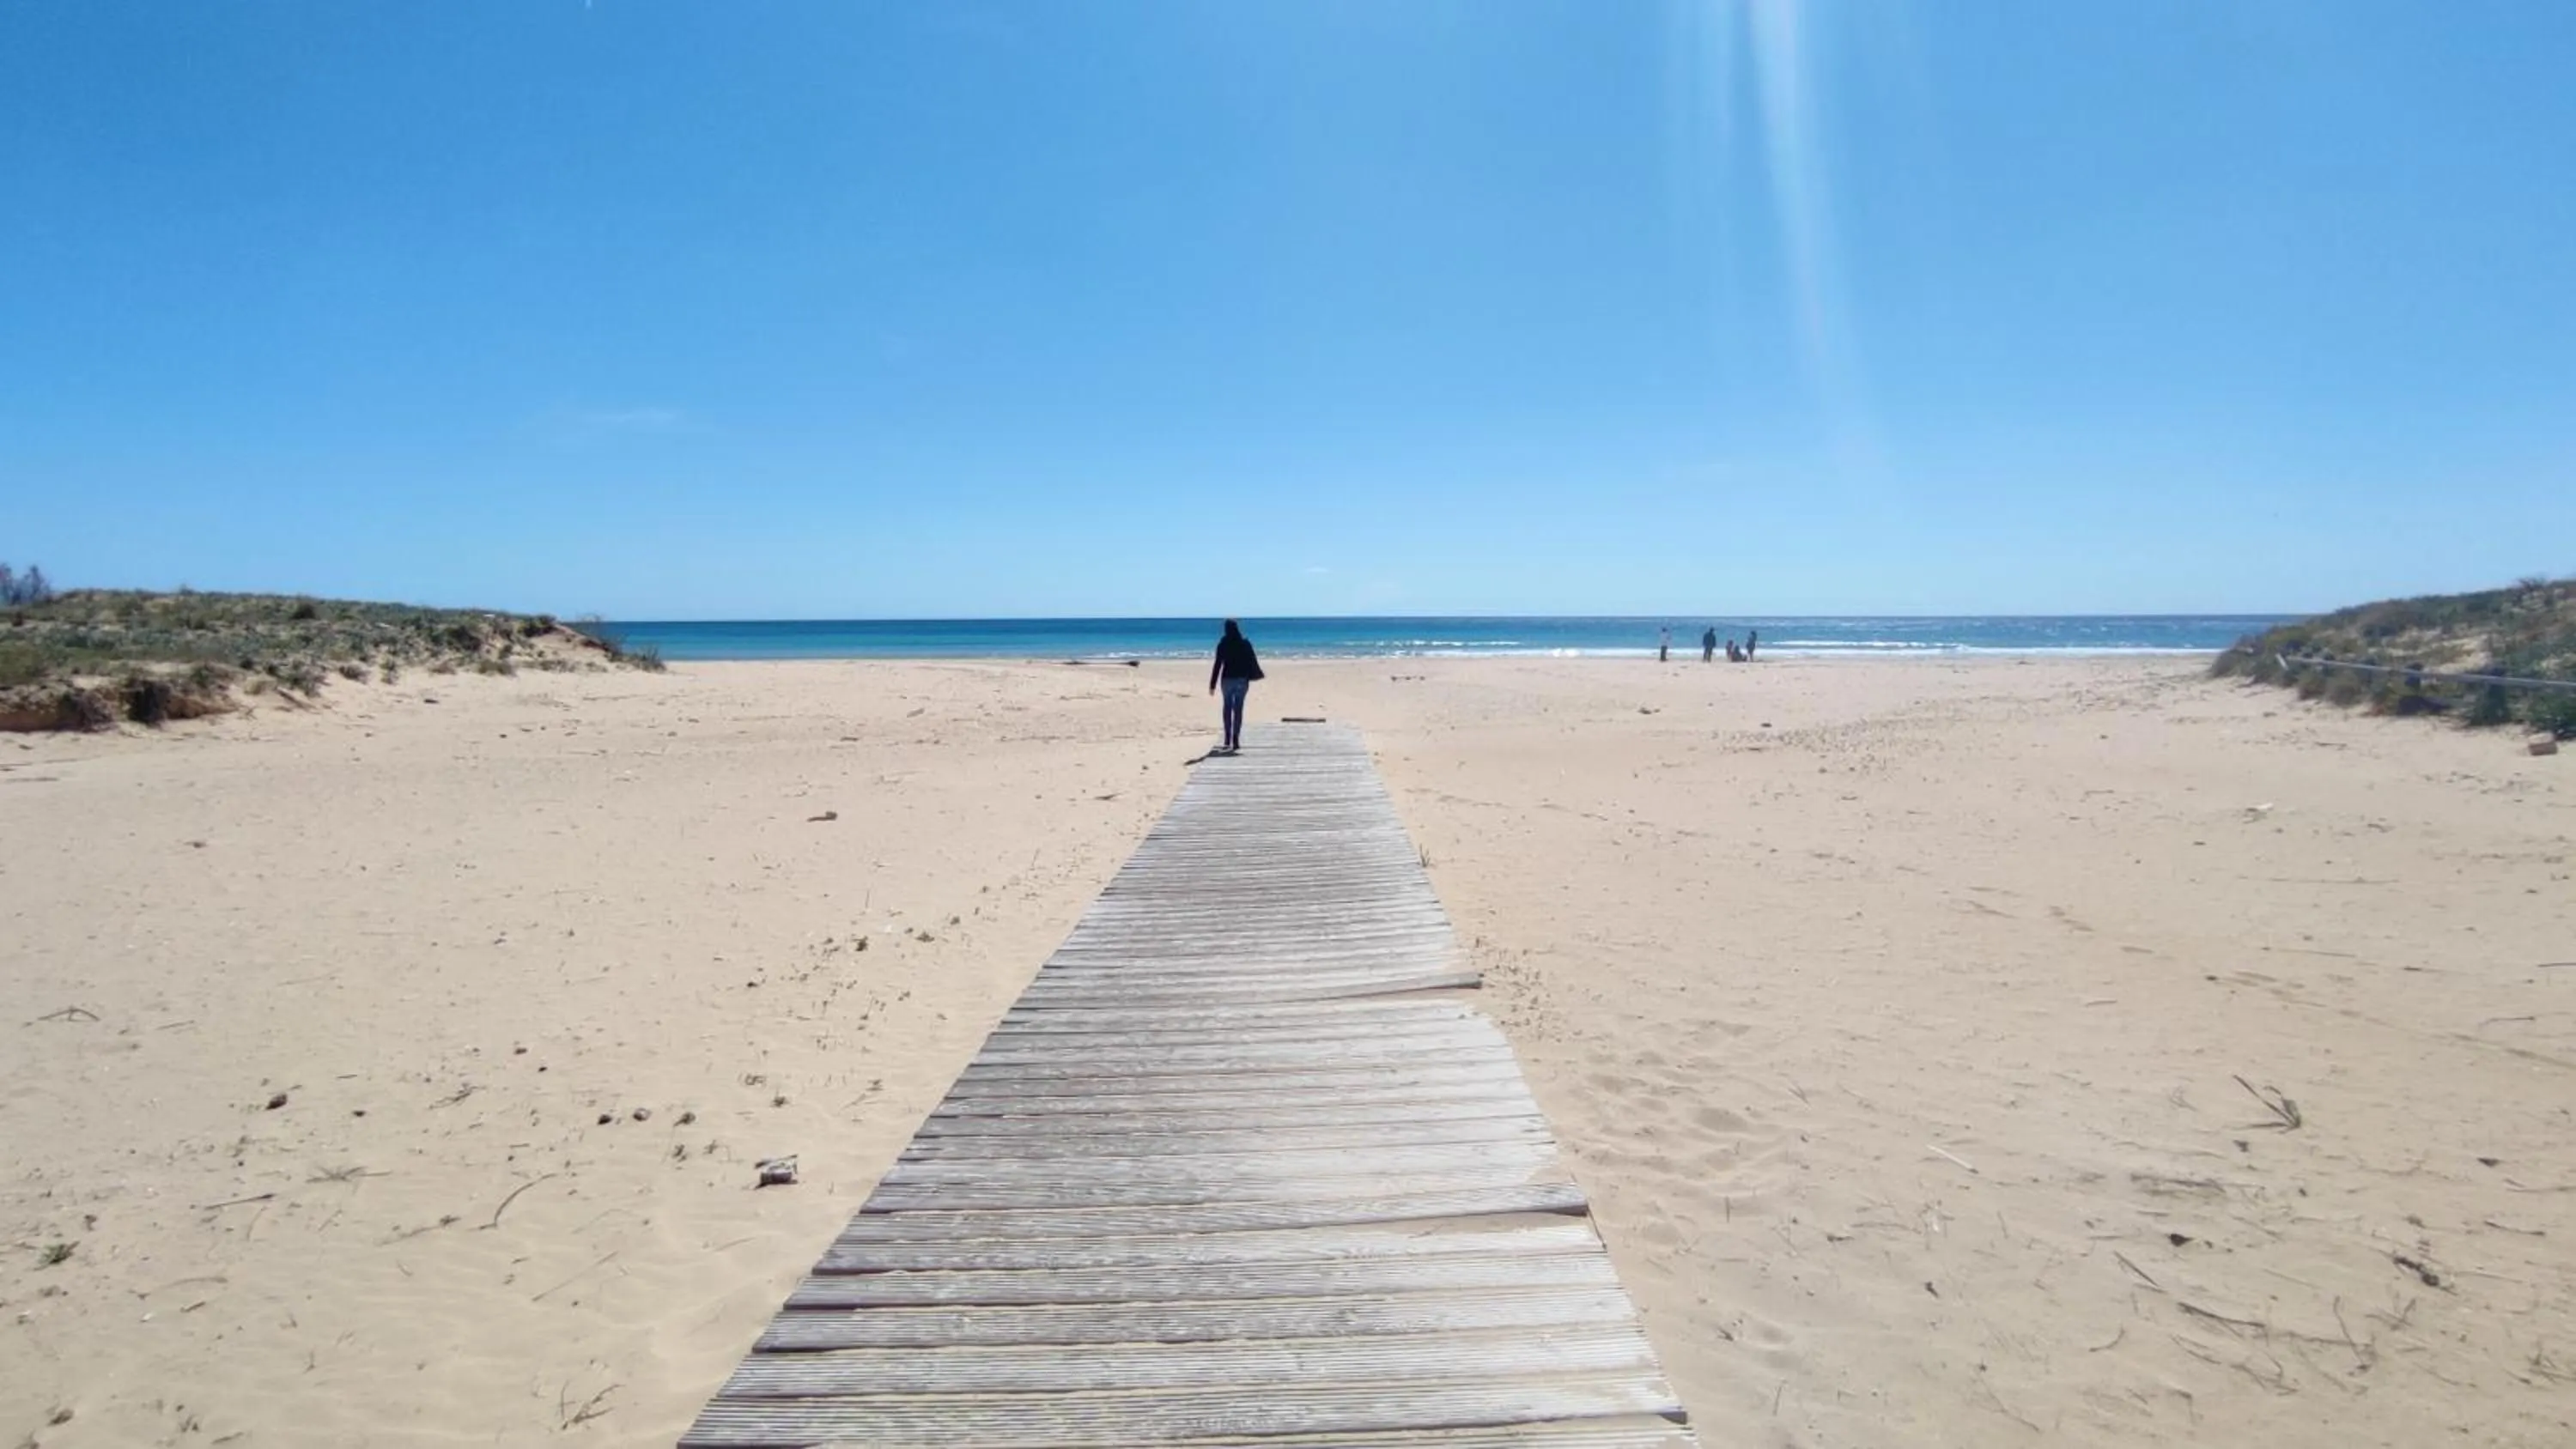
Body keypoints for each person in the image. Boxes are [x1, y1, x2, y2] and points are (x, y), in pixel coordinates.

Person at [1207, 619, 1264, 755]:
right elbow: (1252, 661)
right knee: (1238, 709)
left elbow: (1218, 665)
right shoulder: (1245, 643)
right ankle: (1236, 739)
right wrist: (1253, 675)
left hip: (1227, 679)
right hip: (1241, 680)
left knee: (1227, 708)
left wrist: (1212, 685)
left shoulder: (1223, 644)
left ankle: (1227, 739)